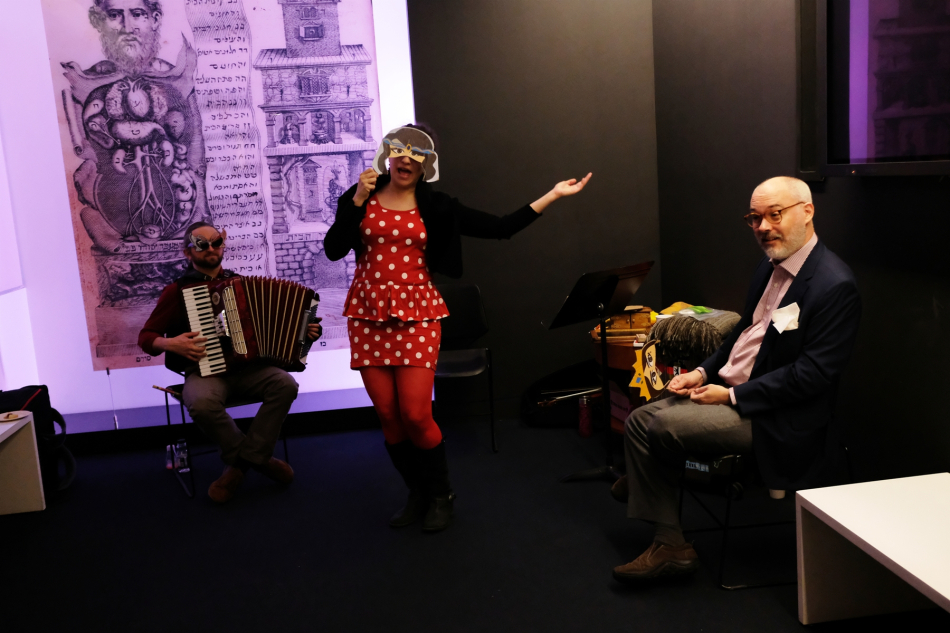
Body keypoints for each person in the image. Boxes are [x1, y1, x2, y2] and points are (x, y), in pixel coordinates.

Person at [325, 125, 592, 532]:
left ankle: (441, 495)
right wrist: (357, 200)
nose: (406, 159)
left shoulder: (438, 206)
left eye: (417, 153)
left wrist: (553, 195)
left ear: (427, 164)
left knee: (415, 414)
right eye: (400, 150)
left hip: (417, 314)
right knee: (389, 416)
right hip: (368, 315)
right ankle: (417, 493)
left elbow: (501, 227)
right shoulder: (361, 194)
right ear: (388, 154)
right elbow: (333, 249)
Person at [611, 176, 861, 582]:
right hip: (733, 389)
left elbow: (812, 376)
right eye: (754, 218)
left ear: (807, 212)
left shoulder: (835, 285)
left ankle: (649, 480)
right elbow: (743, 333)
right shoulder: (770, 266)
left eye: (774, 215)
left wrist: (732, 396)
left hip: (777, 416)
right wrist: (701, 372)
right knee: (640, 419)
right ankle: (670, 539)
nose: (763, 227)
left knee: (659, 426)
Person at [138, 222, 323, 503]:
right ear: (188, 252)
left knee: (285, 384)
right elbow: (146, 337)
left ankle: (239, 466)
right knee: (200, 403)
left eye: (216, 242)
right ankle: (258, 460)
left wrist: (308, 332)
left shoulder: (241, 285)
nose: (211, 248)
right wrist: (169, 343)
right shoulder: (177, 291)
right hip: (205, 371)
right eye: (201, 244)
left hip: (249, 369)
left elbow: (291, 326)